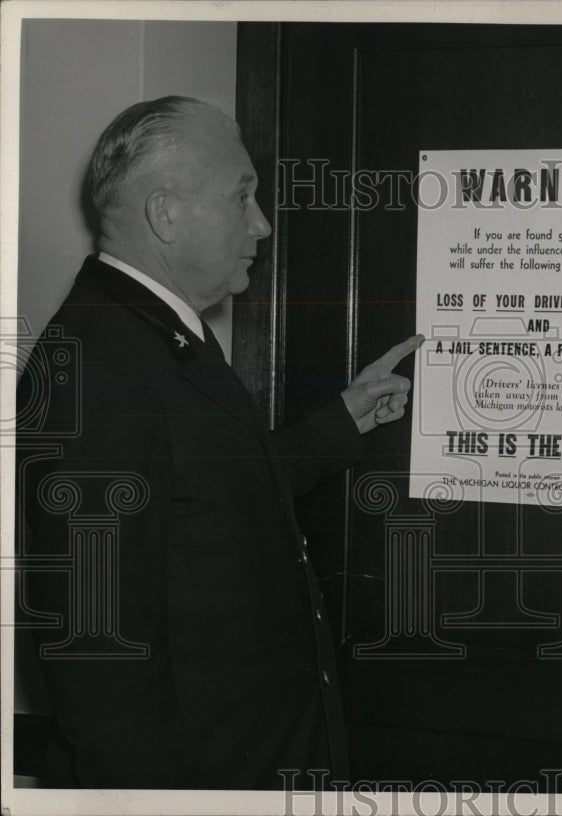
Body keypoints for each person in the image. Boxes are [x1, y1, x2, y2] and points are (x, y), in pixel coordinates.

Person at [17, 96, 422, 789]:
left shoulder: (145, 333)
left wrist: (342, 420)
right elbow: (98, 658)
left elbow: (208, 496)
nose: (261, 224)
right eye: (243, 197)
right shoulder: (97, 367)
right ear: (165, 214)